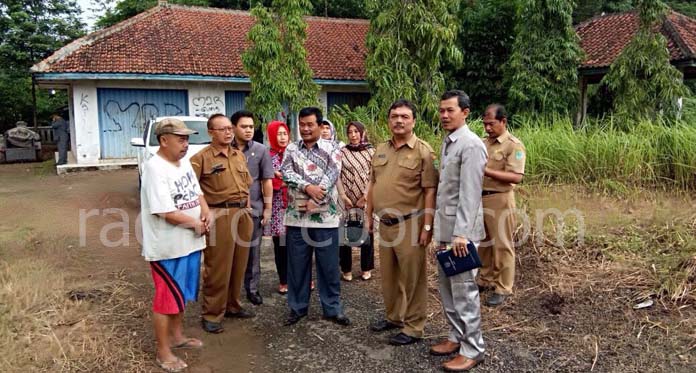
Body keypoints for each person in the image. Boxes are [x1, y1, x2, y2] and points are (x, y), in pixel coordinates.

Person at [366, 99, 438, 346]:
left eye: (404, 116)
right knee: (389, 276)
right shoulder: (380, 149)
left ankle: (414, 327)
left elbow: (430, 191)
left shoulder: (423, 151)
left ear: (413, 121)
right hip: (384, 224)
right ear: (388, 120)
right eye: (394, 116)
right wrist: (368, 215)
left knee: (413, 278)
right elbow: (372, 184)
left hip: (411, 224)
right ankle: (394, 317)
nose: (398, 120)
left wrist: (428, 226)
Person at [140, 118, 208, 372]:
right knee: (165, 298)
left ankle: (177, 337)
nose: (185, 144)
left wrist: (206, 213)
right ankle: (163, 351)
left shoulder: (183, 164)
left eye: (187, 139)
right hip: (167, 247)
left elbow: (197, 193)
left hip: (189, 243)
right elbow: (164, 211)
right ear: (164, 140)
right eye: (181, 139)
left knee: (180, 294)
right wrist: (194, 225)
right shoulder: (155, 168)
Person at [430, 90, 487, 372]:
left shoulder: (471, 145)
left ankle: (473, 348)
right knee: (447, 288)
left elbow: (470, 194)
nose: (444, 115)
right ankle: (456, 337)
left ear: (465, 112)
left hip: (461, 235)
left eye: (450, 110)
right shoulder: (449, 142)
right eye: (441, 110)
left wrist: (462, 234)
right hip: (446, 230)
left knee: (464, 290)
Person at [281, 107, 350, 327]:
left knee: (328, 266)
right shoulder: (292, 148)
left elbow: (332, 174)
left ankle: (332, 308)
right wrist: (308, 187)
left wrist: (317, 198)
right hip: (297, 218)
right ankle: (297, 308)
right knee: (297, 266)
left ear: (321, 126)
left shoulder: (334, 148)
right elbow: (286, 173)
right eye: (302, 124)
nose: (305, 129)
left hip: (325, 219)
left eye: (310, 124)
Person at [190, 113, 255, 334]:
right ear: (210, 132)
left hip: (242, 215)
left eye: (230, 128)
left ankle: (233, 306)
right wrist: (206, 213)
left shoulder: (238, 155)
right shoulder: (201, 159)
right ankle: (212, 313)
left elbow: (247, 183)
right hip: (220, 216)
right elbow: (192, 191)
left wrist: (246, 206)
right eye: (222, 129)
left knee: (239, 265)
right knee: (218, 267)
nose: (228, 132)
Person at [478, 104, 526, 307]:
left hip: (501, 198)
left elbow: (516, 176)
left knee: (502, 244)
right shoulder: (482, 143)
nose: (487, 128)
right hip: (481, 198)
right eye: (485, 124)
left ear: (503, 121)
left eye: (491, 124)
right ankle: (485, 279)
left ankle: (503, 287)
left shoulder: (513, 146)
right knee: (485, 242)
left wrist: (487, 171)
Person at [230, 110, 274, 306]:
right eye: (243, 126)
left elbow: (266, 181)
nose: (248, 130)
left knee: (252, 253)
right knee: (228, 252)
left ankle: (252, 289)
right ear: (233, 128)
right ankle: (229, 291)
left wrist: (267, 208)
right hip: (228, 210)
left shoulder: (260, 150)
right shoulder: (225, 150)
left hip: (253, 209)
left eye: (251, 126)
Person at [338, 121, 375, 282]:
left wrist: (365, 196)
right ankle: (346, 269)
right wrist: (343, 196)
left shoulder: (371, 151)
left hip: (365, 198)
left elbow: (374, 175)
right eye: (350, 132)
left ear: (362, 133)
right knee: (344, 233)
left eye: (356, 132)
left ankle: (366, 268)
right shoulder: (342, 152)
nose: (353, 135)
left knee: (367, 231)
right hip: (346, 199)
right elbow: (336, 175)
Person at [264, 120, 291, 294]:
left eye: (285, 133)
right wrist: (282, 181)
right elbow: (266, 179)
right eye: (278, 134)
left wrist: (283, 180)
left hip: (296, 204)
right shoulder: (267, 156)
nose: (282, 137)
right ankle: (284, 280)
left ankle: (303, 278)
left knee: (299, 243)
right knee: (281, 245)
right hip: (277, 206)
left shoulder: (295, 153)